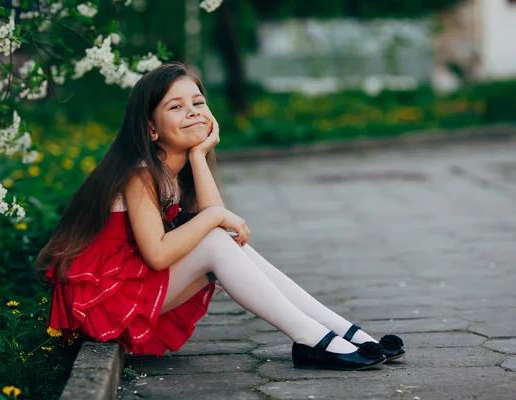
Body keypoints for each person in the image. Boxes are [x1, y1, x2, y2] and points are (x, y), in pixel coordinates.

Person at [36, 62, 405, 371]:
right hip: (105, 299)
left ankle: (338, 331)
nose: (193, 111)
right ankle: (313, 339)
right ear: (150, 128)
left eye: (198, 102)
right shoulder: (139, 173)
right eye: (175, 107)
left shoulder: (174, 170)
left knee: (219, 239)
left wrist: (199, 156)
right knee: (215, 237)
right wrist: (215, 218)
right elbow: (159, 254)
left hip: (133, 283)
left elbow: (214, 221)